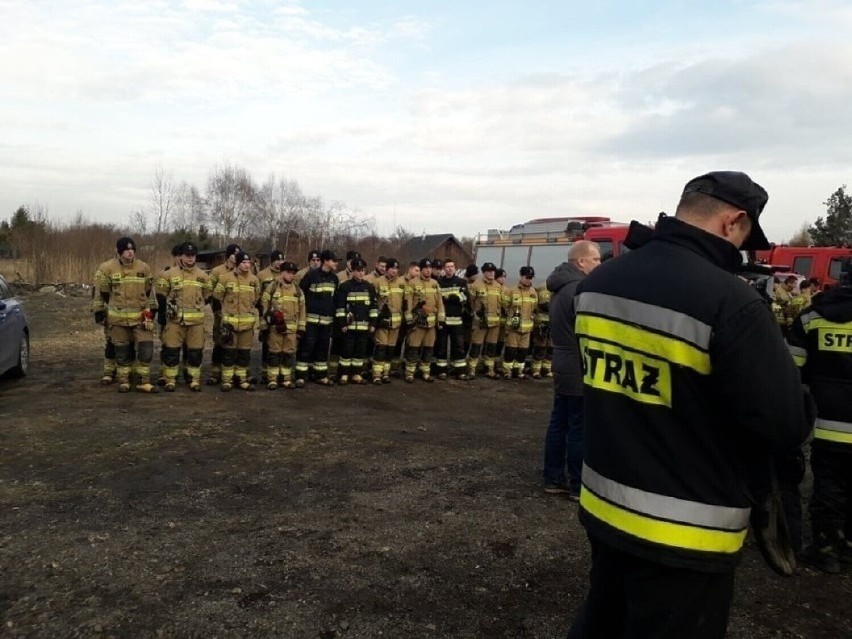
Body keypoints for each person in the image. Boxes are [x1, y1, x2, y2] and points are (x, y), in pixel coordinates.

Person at [567, 172, 811, 638]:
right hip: (686, 525)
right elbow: (782, 423)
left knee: (603, 621)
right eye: (743, 237)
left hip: (605, 505)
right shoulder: (730, 301)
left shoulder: (601, 283)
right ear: (732, 221)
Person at [788, 259, 852, 573]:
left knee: (828, 483)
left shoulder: (812, 317)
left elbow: (791, 370)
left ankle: (826, 548)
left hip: (826, 421)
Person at [541, 241, 602, 497]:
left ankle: (553, 477)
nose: (600, 264)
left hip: (562, 362)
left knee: (560, 423)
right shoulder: (578, 290)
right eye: (596, 259)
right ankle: (578, 485)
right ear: (581, 262)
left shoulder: (560, 288)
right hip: (578, 364)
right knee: (578, 426)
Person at [96, 237, 158, 393]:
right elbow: (101, 292)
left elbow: (149, 292)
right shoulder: (106, 268)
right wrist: (98, 311)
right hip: (118, 318)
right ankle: (124, 381)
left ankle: (144, 382)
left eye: (132, 249)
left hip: (142, 315)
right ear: (118, 251)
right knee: (122, 350)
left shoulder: (144, 267)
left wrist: (152, 312)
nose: (130, 252)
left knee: (146, 348)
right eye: (126, 250)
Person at [155, 242, 210, 392]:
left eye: (193, 255)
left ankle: (193, 379)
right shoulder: (169, 274)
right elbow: (161, 295)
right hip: (175, 321)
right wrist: (165, 313)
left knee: (195, 352)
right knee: (171, 351)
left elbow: (208, 295)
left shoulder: (203, 276)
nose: (191, 258)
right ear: (182, 256)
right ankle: (170, 379)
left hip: (196, 323)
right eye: (187, 255)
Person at [212, 251, 261, 391]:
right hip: (230, 325)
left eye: (248, 263)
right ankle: (227, 380)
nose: (246, 265)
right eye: (243, 263)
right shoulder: (225, 279)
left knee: (244, 354)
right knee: (229, 353)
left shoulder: (254, 280)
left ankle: (241, 380)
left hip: (247, 325)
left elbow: (256, 298)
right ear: (237, 264)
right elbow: (217, 296)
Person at [260, 261, 306, 390]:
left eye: (293, 273)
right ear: (282, 272)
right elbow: (264, 308)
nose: (291, 275)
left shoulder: (298, 290)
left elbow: (302, 311)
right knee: (274, 354)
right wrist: (264, 327)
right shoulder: (272, 288)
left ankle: (286, 379)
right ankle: (272, 379)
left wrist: (301, 329)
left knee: (288, 354)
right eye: (288, 272)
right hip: (275, 329)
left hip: (291, 330)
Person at [297, 249, 339, 385]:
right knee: (306, 347)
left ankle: (320, 375)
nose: (336, 263)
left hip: (326, 322)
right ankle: (301, 376)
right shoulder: (311, 276)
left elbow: (335, 300)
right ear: (325, 261)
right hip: (311, 320)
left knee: (323, 348)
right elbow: (301, 296)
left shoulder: (334, 278)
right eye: (334, 260)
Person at [334, 258, 378, 385]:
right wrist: (342, 324)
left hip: (364, 328)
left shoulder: (369, 287)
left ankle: (356, 374)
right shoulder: (345, 286)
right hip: (349, 327)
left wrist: (373, 324)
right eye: (358, 270)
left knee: (360, 351)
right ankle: (343, 374)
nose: (361, 273)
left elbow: (374, 308)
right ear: (352, 271)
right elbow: (340, 307)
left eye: (363, 270)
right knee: (346, 351)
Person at [403, 258, 445, 383]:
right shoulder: (412, 283)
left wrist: (441, 319)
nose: (428, 270)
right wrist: (409, 320)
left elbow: (440, 303)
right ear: (421, 269)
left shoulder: (435, 283)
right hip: (417, 323)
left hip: (431, 325)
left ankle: (425, 372)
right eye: (425, 268)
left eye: (430, 268)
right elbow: (407, 303)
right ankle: (410, 372)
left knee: (428, 348)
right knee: (413, 348)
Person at [206, 243, 241, 385]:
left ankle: (233, 373)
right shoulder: (216, 271)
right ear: (228, 255)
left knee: (236, 345)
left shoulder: (243, 271)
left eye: (238, 253)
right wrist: (217, 311)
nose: (236, 256)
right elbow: (209, 291)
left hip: (238, 315)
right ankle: (215, 373)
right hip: (220, 314)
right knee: (220, 342)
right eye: (234, 253)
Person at [370, 258, 405, 384]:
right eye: (391, 268)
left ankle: (385, 373)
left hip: (396, 323)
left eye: (396, 269)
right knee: (381, 348)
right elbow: (373, 303)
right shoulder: (377, 282)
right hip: (382, 323)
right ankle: (376, 374)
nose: (394, 271)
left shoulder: (402, 283)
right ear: (386, 269)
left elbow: (404, 303)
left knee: (390, 350)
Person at [467, 262, 503, 379]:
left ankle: (489, 369)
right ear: (483, 272)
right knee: (476, 346)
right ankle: (471, 369)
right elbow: (470, 302)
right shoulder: (475, 285)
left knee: (491, 347)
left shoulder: (498, 286)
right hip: (480, 323)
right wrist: (476, 313)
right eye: (488, 271)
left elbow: (501, 304)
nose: (491, 273)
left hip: (495, 323)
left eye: (493, 271)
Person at [435, 258, 470, 380]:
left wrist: (457, 298)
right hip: (443, 320)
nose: (450, 268)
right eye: (448, 266)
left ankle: (460, 371)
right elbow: (437, 299)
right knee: (441, 346)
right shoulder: (439, 282)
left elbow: (465, 297)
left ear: (455, 268)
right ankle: (442, 371)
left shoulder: (461, 282)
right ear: (444, 269)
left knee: (458, 347)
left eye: (452, 266)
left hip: (456, 320)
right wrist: (448, 298)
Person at [501, 266, 539, 379]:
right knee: (510, 351)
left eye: (531, 277)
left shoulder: (534, 292)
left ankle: (518, 371)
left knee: (523, 352)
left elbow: (535, 308)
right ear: (521, 276)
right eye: (527, 277)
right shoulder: (511, 291)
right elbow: (505, 306)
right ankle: (507, 371)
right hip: (514, 328)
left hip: (527, 329)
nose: (529, 280)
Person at [256, 250, 285, 384]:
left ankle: (278, 371)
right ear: (272, 261)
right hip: (266, 313)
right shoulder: (262, 275)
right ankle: (264, 373)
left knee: (280, 343)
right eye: (277, 260)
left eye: (282, 260)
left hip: (281, 314)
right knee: (266, 341)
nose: (280, 262)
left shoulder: (286, 274)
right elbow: (257, 294)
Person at [530, 282, 553, 379]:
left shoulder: (557, 290)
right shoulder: (545, 288)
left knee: (551, 346)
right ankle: (536, 369)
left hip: (552, 323)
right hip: (542, 323)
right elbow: (545, 305)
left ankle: (546, 368)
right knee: (540, 346)